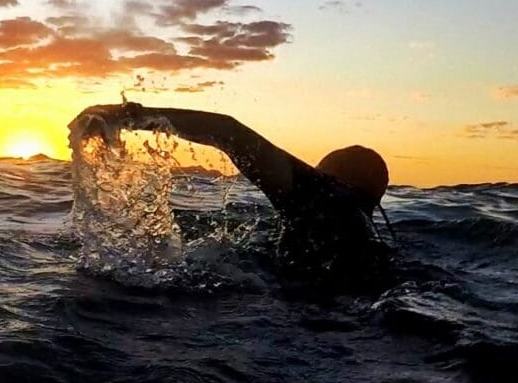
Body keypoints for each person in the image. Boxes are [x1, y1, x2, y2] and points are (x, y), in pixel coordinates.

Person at [70, 102, 394, 285]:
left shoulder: (323, 196)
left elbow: (229, 132)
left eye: (314, 172)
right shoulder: (364, 232)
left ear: (325, 177)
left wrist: (129, 116)